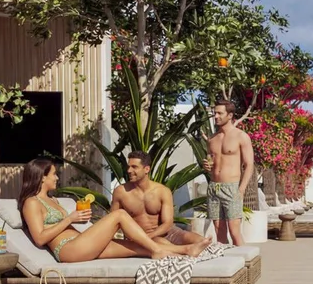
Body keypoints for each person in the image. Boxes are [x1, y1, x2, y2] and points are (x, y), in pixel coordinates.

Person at [18, 159, 180, 263]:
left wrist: (77, 219)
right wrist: (69, 219)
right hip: (68, 250)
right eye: (54, 174)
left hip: (82, 244)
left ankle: (188, 250)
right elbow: (39, 238)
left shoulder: (52, 199)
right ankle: (157, 251)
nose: (57, 178)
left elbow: (62, 226)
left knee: (138, 247)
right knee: (120, 215)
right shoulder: (32, 202)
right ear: (42, 177)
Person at [111, 150, 212, 257]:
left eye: (134, 167)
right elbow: (113, 221)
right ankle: (184, 250)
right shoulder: (121, 192)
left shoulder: (162, 191)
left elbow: (167, 224)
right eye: (129, 166)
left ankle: (186, 248)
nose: (129, 170)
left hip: (169, 233)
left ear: (146, 169)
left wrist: (149, 235)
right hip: (141, 237)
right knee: (161, 243)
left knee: (200, 241)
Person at [202, 100, 253, 246]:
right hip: (214, 187)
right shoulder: (212, 139)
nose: (215, 116)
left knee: (234, 230)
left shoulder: (241, 136)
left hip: (232, 187)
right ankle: (225, 262)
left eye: (219, 113)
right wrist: (207, 167)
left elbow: (249, 165)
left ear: (230, 115)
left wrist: (241, 189)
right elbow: (212, 163)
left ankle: (246, 264)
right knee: (219, 229)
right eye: (214, 113)